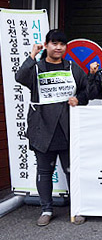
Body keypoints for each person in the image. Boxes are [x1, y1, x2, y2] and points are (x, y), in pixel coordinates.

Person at [14, 29, 88, 226]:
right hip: (42, 128)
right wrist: (32, 55)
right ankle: (46, 209)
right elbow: (20, 77)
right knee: (44, 171)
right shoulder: (36, 68)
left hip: (67, 128)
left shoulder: (72, 67)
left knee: (72, 170)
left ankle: (76, 208)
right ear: (46, 45)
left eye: (62, 44)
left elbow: (86, 89)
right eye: (54, 43)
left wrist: (79, 99)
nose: (58, 47)